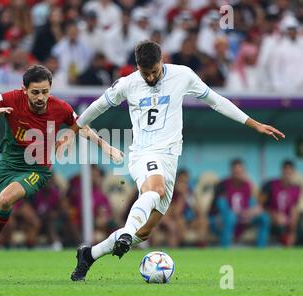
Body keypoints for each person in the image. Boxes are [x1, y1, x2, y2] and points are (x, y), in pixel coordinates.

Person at [58, 40, 285, 281]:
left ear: (162, 61)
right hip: (144, 153)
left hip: (169, 158)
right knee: (153, 190)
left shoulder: (183, 75)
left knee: (144, 232)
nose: (151, 77)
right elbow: (97, 106)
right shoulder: (128, 84)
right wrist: (72, 130)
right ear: (138, 68)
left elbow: (216, 101)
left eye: (154, 71)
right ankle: (125, 231)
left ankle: (89, 255)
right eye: (145, 73)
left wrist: (253, 123)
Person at [0, 64, 123, 281]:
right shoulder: (11, 98)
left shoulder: (60, 108)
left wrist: (106, 147)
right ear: (24, 90)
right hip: (8, 164)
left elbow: (82, 126)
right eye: (35, 92)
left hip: (37, 169)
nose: (41, 97)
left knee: (5, 200)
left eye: (45, 91)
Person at [209, 159, 270, 247]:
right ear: (231, 171)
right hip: (223, 218)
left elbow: (254, 204)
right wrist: (239, 213)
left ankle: (261, 250)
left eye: (240, 172)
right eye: (236, 172)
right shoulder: (223, 184)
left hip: (243, 216)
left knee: (264, 218)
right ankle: (224, 249)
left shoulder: (247, 185)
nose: (238, 174)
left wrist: (250, 212)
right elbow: (221, 206)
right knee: (230, 217)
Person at [260, 160, 301, 246]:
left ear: (293, 173)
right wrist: (273, 214)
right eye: (285, 172)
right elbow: (260, 204)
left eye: (290, 172)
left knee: (297, 223)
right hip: (272, 219)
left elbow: (294, 208)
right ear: (281, 171)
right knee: (268, 220)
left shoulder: (296, 188)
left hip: (287, 221)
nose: (287, 175)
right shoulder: (270, 184)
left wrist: (292, 224)